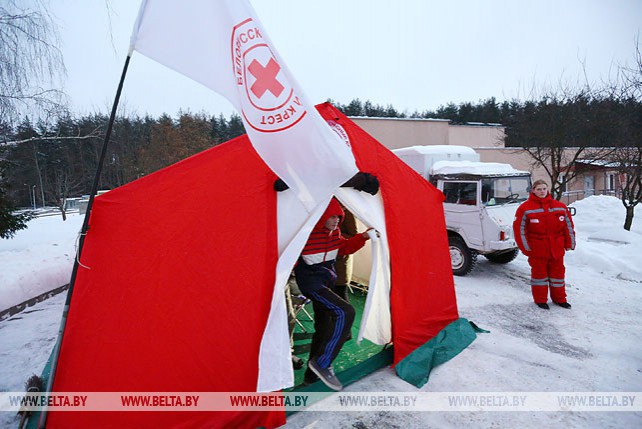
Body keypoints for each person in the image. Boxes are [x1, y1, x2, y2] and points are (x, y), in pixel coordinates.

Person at [295, 197, 374, 391]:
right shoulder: (306, 234)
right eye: (332, 216)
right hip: (312, 284)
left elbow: (343, 248)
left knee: (324, 328)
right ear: (322, 216)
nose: (337, 220)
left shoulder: (334, 233)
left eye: (339, 217)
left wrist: (363, 237)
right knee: (346, 311)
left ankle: (311, 376)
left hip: (327, 282)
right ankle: (322, 364)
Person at [513, 179, 576, 310]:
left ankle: (560, 299)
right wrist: (526, 248)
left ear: (548, 190)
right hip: (537, 249)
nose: (542, 191)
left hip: (557, 248)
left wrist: (570, 243)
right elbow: (519, 230)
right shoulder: (525, 208)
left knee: (558, 276)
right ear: (533, 191)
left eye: (544, 189)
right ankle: (540, 300)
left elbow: (568, 227)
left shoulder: (559, 206)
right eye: (538, 189)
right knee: (539, 276)